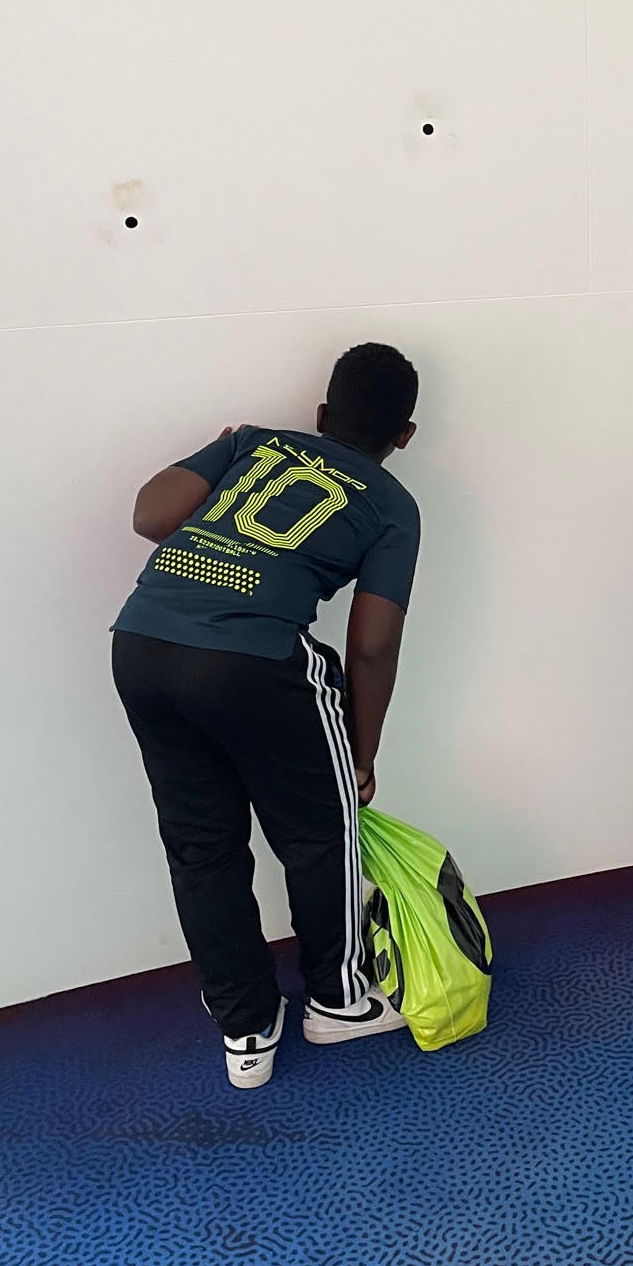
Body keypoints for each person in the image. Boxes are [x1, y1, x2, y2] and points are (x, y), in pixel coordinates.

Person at [111, 343, 422, 1089]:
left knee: (202, 848)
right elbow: (372, 647)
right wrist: (361, 754)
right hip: (252, 660)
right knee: (322, 833)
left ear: (320, 414)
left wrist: (224, 447)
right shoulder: (391, 504)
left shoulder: (255, 444)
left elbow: (149, 515)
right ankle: (339, 1001)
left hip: (143, 642)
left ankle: (245, 1030)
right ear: (405, 435)